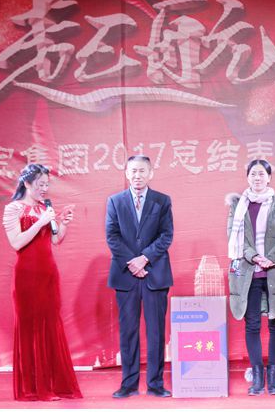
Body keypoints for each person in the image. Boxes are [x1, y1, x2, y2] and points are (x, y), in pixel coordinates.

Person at [2, 164, 81, 401]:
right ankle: (34, 388)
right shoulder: (13, 208)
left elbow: (55, 240)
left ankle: (55, 385)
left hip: (48, 274)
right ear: (27, 183)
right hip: (27, 275)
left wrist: (63, 222)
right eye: (40, 184)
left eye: (47, 184)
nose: (44, 189)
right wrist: (40, 222)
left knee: (50, 324)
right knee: (31, 326)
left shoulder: (45, 207)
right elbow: (17, 243)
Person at [226, 159, 275, 396]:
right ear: (247, 177)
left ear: (269, 177)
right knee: (253, 324)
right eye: (253, 174)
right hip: (249, 271)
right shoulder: (238, 205)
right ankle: (257, 377)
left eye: (261, 174)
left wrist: (271, 258)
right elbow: (234, 236)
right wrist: (255, 257)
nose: (257, 178)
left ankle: (273, 377)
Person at [105, 155, 174, 399]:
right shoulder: (115, 201)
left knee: (156, 332)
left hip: (154, 273)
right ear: (126, 173)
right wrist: (132, 262)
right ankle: (129, 384)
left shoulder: (162, 201)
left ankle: (155, 383)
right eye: (133, 171)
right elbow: (112, 236)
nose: (137, 175)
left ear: (150, 173)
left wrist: (144, 258)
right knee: (128, 331)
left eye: (142, 171)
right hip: (126, 275)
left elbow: (166, 235)